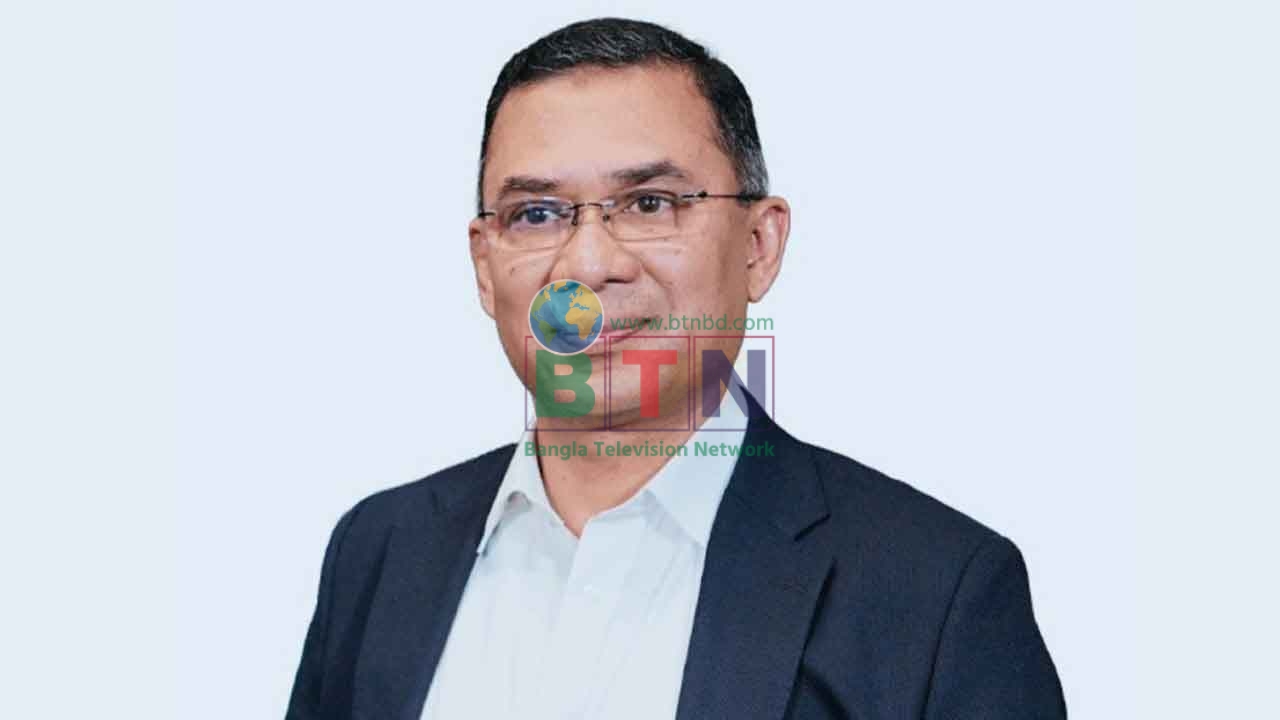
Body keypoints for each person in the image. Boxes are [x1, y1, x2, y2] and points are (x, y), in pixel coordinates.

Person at [286, 17, 1065, 720]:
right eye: (537, 214)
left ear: (758, 245)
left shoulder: (936, 594)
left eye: (649, 203)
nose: (588, 264)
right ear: (485, 267)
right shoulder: (379, 553)